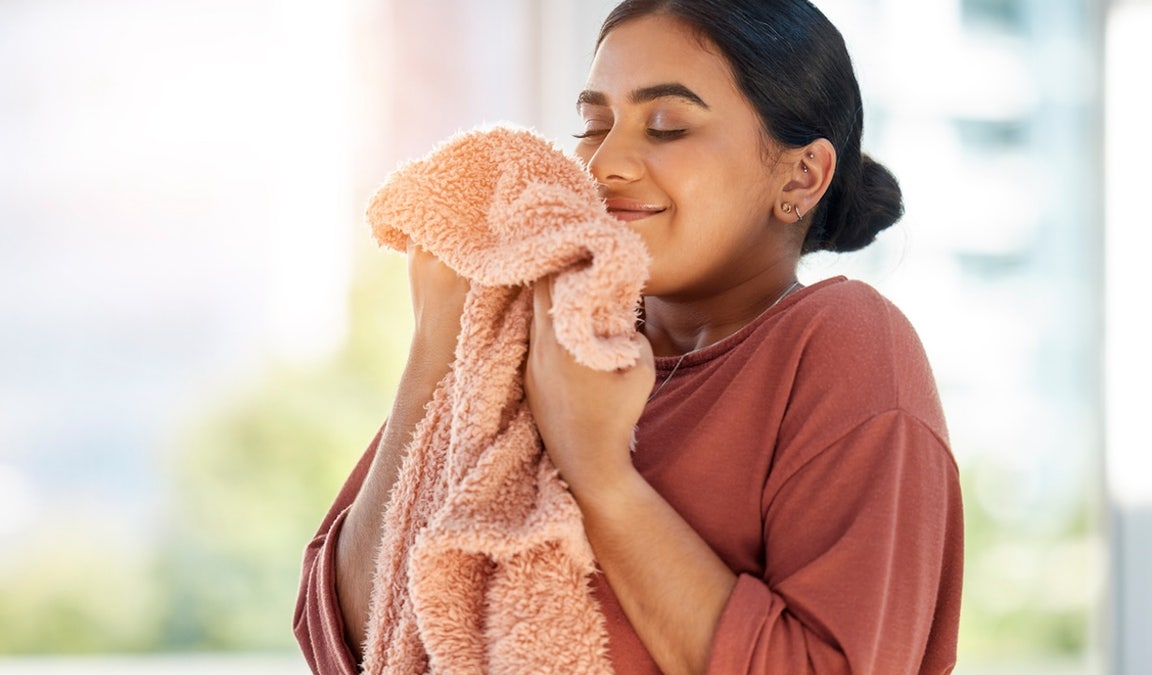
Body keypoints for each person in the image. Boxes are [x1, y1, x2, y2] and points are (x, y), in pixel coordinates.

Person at [294, 0, 964, 673]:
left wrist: (601, 475)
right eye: (593, 124)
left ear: (801, 175)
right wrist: (434, 355)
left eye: (667, 126)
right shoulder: (538, 327)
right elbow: (347, 640)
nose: (606, 162)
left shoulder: (844, 343)